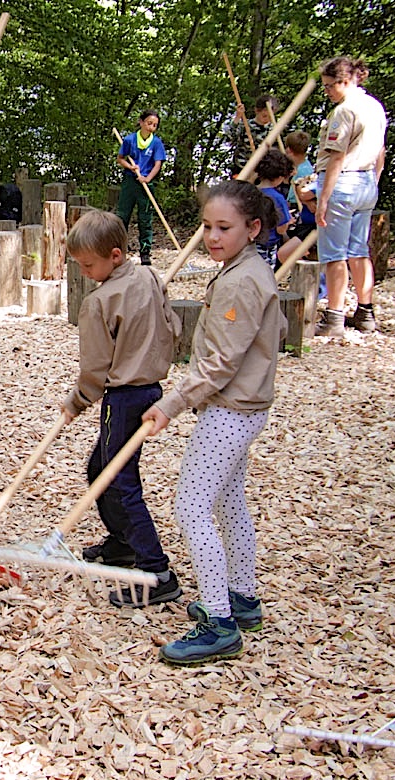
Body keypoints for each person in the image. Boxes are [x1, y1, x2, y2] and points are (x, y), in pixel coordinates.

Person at [142, 181, 286, 665]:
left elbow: (222, 361)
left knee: (191, 506)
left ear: (253, 228)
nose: (213, 235)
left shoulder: (243, 280)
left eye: (224, 227)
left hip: (231, 410)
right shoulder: (245, 270)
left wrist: (173, 402)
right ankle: (242, 597)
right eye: (207, 226)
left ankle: (219, 622)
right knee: (227, 501)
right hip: (243, 405)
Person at [62, 210, 182, 607]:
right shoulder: (149, 276)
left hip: (123, 397)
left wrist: (77, 401)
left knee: (119, 480)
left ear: (114, 255)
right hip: (151, 391)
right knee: (101, 468)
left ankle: (156, 570)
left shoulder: (99, 301)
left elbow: (96, 368)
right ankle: (124, 543)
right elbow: (173, 326)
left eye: (88, 265)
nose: (84, 272)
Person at [313, 56, 387, 337]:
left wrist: (324, 199)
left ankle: (334, 315)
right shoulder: (375, 108)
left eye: (330, 86)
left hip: (343, 182)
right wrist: (373, 183)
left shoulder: (345, 111)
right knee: (359, 250)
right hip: (367, 181)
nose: (327, 91)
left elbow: (336, 157)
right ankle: (365, 311)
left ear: (345, 81)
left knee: (334, 254)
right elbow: (380, 152)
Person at [114, 110, 167, 266]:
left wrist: (147, 178)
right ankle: (120, 249)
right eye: (149, 123)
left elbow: (158, 164)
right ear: (142, 122)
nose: (151, 127)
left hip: (146, 184)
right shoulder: (130, 140)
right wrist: (130, 167)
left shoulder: (156, 143)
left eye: (155, 125)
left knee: (145, 218)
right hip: (130, 182)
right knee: (123, 215)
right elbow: (120, 159)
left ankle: (145, 252)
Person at [253, 148, 294, 268]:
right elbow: (281, 228)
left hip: (249, 243)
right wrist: (288, 222)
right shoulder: (278, 198)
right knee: (265, 275)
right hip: (267, 245)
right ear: (279, 176)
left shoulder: (250, 193)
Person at [225, 95, 280, 177]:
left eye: (270, 116)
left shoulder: (274, 130)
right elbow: (230, 139)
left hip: (261, 173)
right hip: (242, 169)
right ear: (257, 111)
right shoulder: (246, 125)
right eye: (264, 116)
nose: (267, 119)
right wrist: (238, 117)